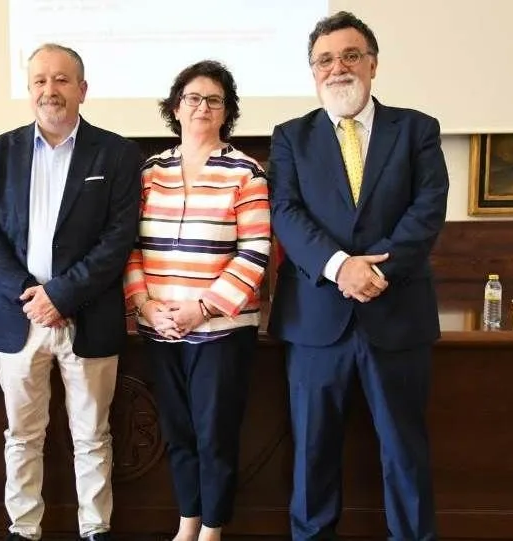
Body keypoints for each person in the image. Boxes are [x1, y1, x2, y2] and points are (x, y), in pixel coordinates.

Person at [267, 11, 448, 541]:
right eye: (324, 60)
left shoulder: (416, 129)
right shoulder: (290, 138)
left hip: (397, 318)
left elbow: (428, 208)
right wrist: (340, 266)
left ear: (373, 64)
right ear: (312, 72)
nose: (337, 67)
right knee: (312, 452)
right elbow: (286, 212)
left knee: (404, 451)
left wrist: (374, 270)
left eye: (350, 56)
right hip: (316, 321)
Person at [0, 43, 142, 541]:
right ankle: (24, 530)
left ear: (82, 90)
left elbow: (118, 237)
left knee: (92, 436)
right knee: (22, 436)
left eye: (62, 80)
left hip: (86, 316)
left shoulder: (116, 153)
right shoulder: (0, 151)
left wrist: (61, 296)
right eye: (40, 80)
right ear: (29, 91)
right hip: (18, 317)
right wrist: (29, 292)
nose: (51, 90)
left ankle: (96, 528)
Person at [123, 60, 270, 541]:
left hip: (220, 331)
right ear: (175, 107)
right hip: (160, 326)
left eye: (214, 100)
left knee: (214, 435)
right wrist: (144, 305)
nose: (202, 107)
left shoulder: (245, 171)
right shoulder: (151, 170)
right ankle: (188, 519)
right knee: (179, 433)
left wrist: (201, 309)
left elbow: (255, 251)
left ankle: (213, 528)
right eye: (192, 98)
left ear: (226, 112)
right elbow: (130, 247)